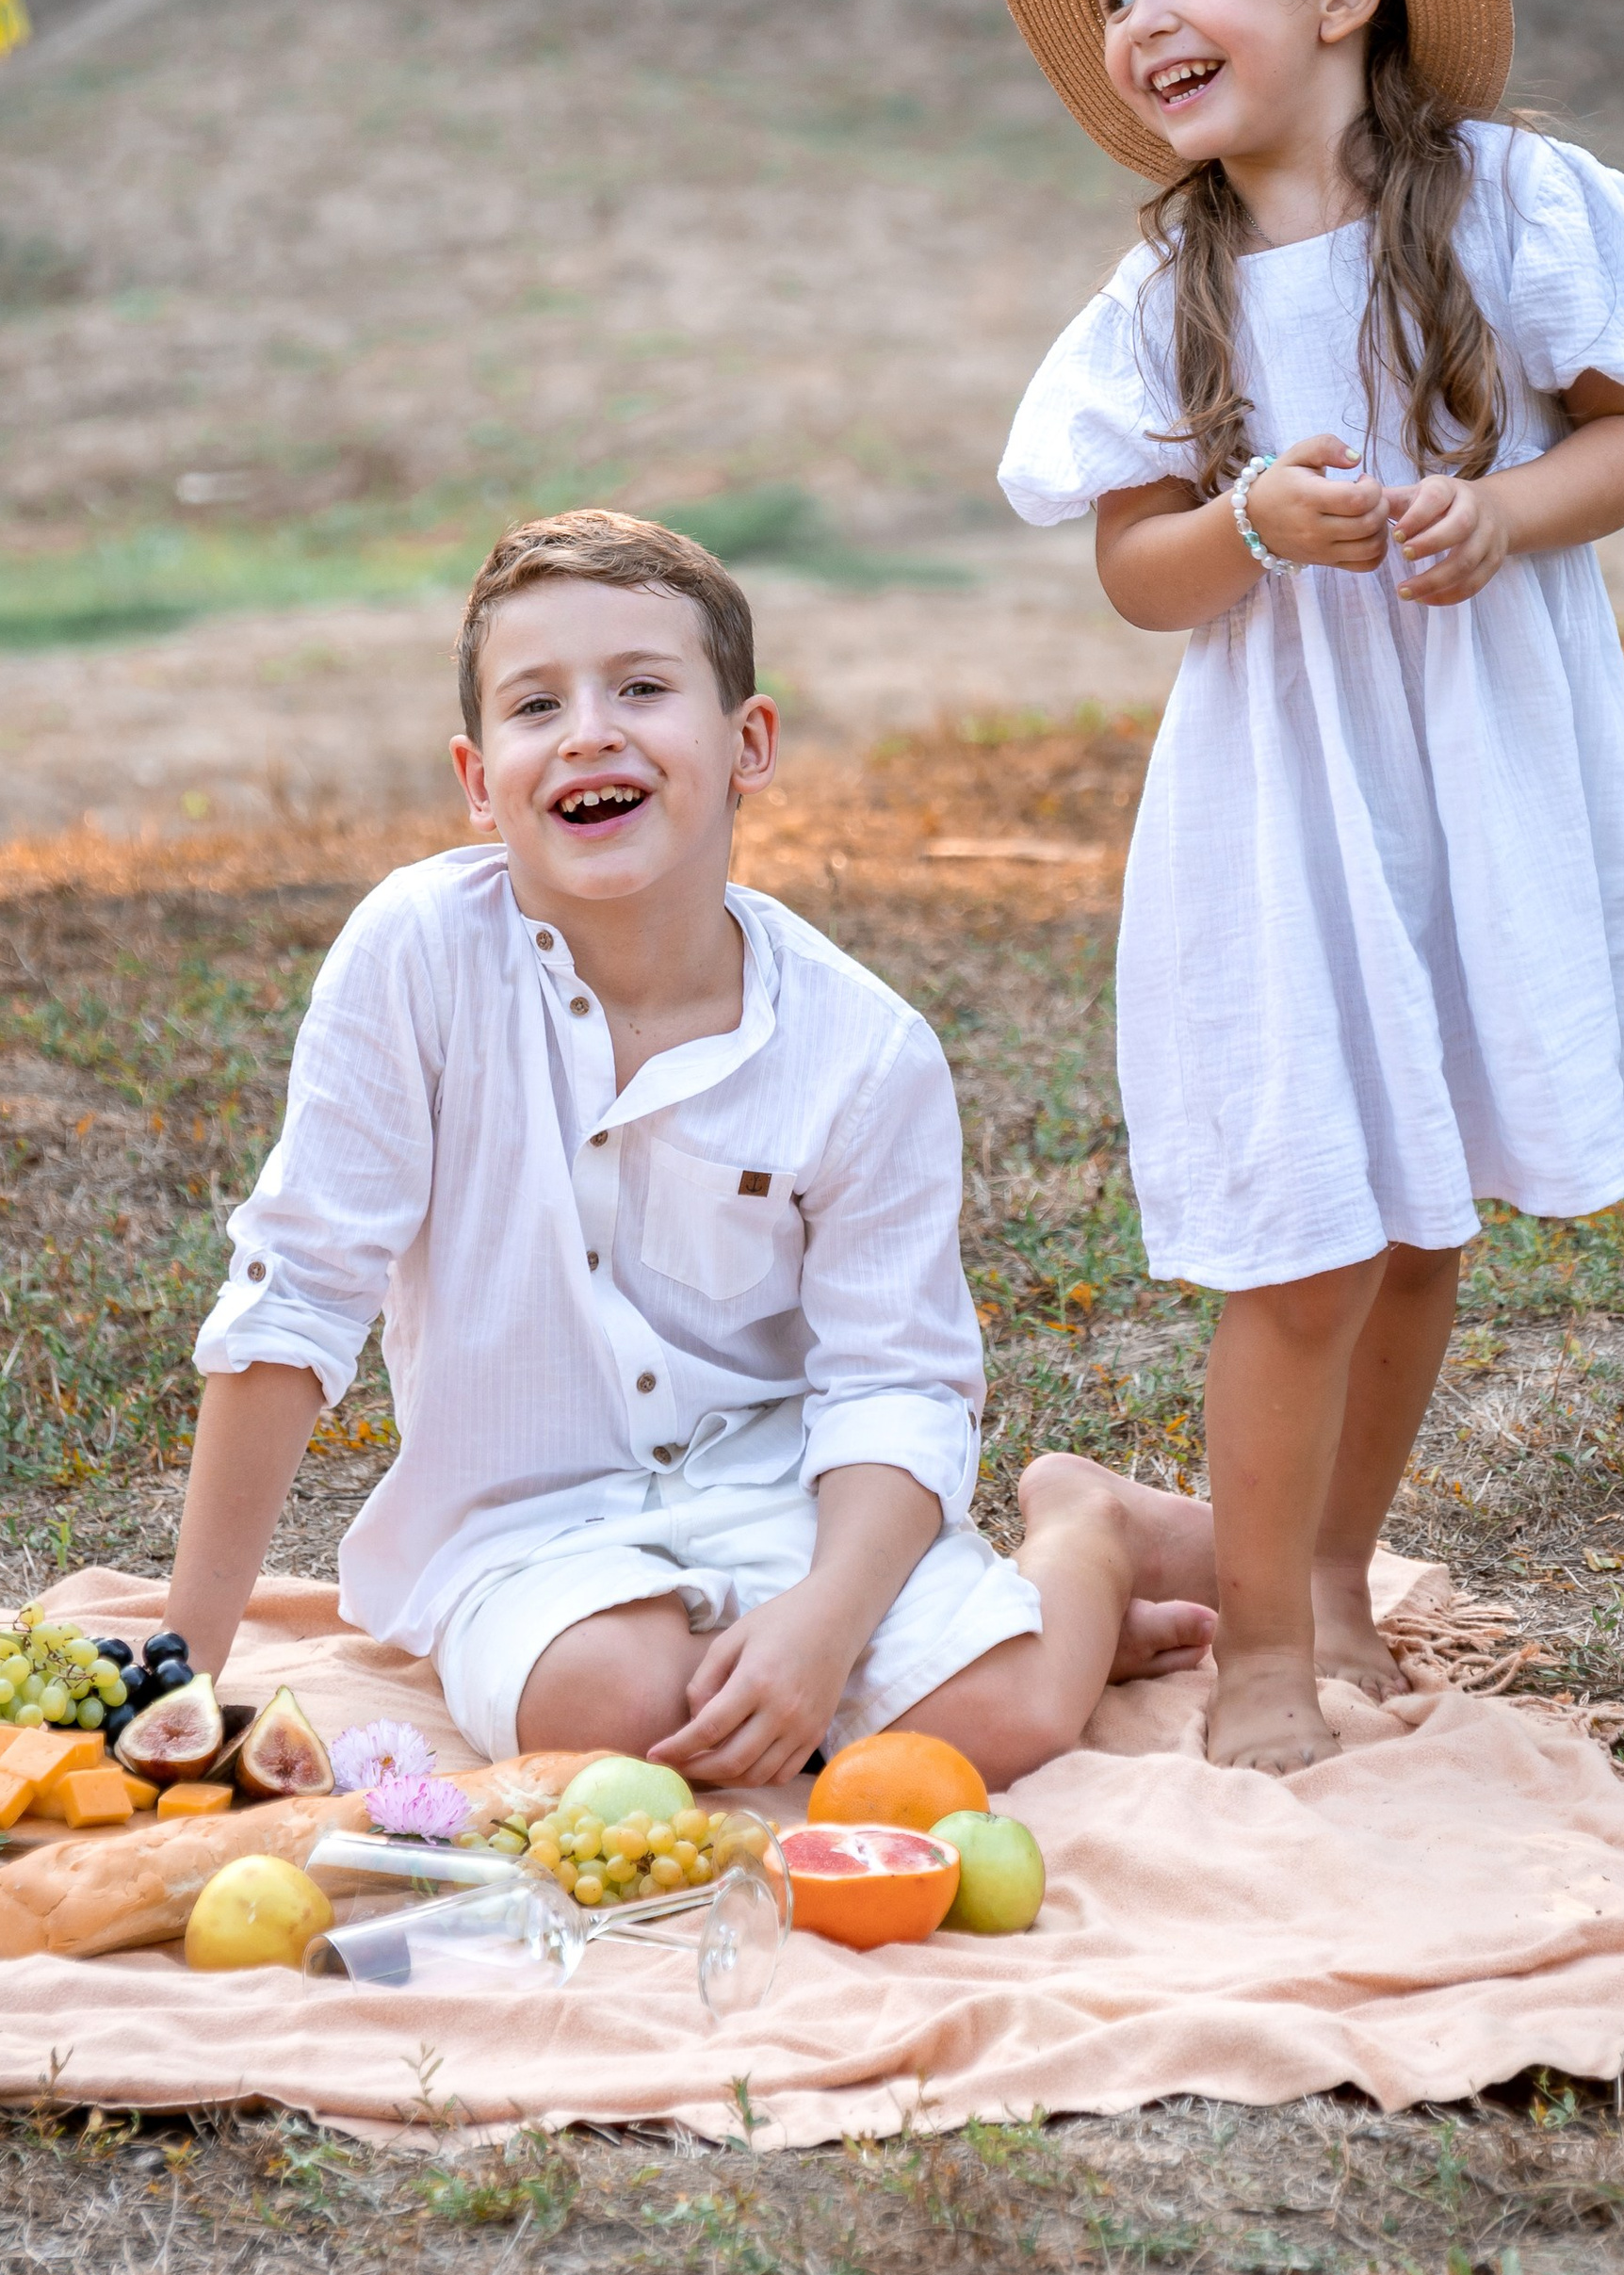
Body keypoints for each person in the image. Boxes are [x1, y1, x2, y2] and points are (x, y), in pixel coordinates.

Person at [987, 0, 1624, 1779]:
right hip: (1282, 798)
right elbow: (1133, 567)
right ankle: (1244, 1655)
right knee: (1305, 1212)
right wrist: (1240, 527)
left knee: (1423, 1216)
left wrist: (1503, 514)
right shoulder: (1171, 296)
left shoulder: (1508, 205)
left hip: (1475, 769)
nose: (1144, 20)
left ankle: (1327, 1576)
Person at [161, 509, 1214, 1785]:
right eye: (535, 705)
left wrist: (825, 1621)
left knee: (1007, 1720)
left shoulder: (865, 1051)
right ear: (474, 779)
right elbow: (300, 1289)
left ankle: (1085, 1529)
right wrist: (182, 1665)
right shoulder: (414, 958)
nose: (589, 731)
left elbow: (896, 1384)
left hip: (784, 1493)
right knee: (614, 1704)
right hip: (523, 1523)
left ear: (746, 744)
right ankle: (943, 1612)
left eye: (643, 688)